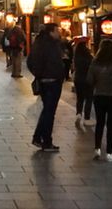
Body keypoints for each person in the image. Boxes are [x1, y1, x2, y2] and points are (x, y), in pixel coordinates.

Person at [27, 23, 65, 152]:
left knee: (47, 111)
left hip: (45, 81)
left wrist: (38, 75)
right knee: (49, 112)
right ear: (51, 32)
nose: (59, 32)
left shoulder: (39, 43)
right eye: (57, 30)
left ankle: (38, 137)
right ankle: (46, 141)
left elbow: (30, 62)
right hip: (52, 81)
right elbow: (53, 62)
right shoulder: (51, 45)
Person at [88, 39, 112, 162]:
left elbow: (89, 80)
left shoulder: (94, 63)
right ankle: (109, 152)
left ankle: (97, 149)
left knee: (100, 123)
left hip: (99, 95)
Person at [73, 41, 94, 123]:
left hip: (78, 79)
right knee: (89, 98)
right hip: (88, 79)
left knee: (80, 98)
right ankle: (87, 117)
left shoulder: (76, 57)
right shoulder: (89, 57)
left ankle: (78, 113)